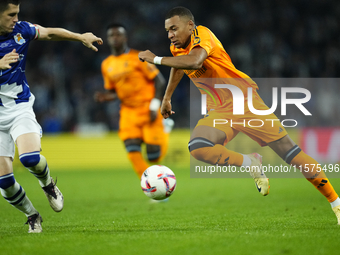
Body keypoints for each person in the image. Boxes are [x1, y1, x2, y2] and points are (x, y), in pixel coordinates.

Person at [138, 6, 340, 224]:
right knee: (198, 147)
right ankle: (250, 162)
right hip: (221, 109)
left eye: (174, 29)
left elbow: (194, 62)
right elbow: (178, 67)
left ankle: (336, 203)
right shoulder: (177, 47)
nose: (170, 35)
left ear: (190, 25)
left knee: (292, 155)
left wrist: (155, 59)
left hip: (245, 102)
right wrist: (167, 97)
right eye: (167, 31)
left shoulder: (203, 35)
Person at [0, 0, 103, 233]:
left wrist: (79, 37)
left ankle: (48, 185)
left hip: (19, 107)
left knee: (29, 159)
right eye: (11, 15)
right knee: (4, 183)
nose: (16, 18)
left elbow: (48, 33)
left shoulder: (21, 30)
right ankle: (32, 214)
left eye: (17, 13)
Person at [94, 23, 172, 179]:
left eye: (118, 35)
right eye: (111, 35)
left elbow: (160, 81)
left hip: (147, 107)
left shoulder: (139, 58)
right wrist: (105, 97)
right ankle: (150, 184)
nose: (115, 38)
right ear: (108, 39)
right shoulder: (106, 64)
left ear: (125, 38)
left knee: (153, 156)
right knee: (132, 150)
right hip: (128, 111)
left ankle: (166, 127)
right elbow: (115, 91)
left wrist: (154, 105)